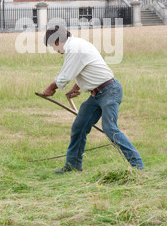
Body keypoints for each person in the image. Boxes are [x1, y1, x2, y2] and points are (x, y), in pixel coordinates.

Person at [42, 25, 144, 173]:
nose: (55, 50)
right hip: (96, 95)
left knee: (110, 129)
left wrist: (51, 87)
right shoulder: (77, 45)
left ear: (57, 41)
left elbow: (65, 76)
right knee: (79, 127)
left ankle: (138, 167)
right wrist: (76, 88)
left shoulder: (75, 48)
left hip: (109, 91)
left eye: (52, 46)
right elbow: (84, 68)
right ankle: (73, 166)